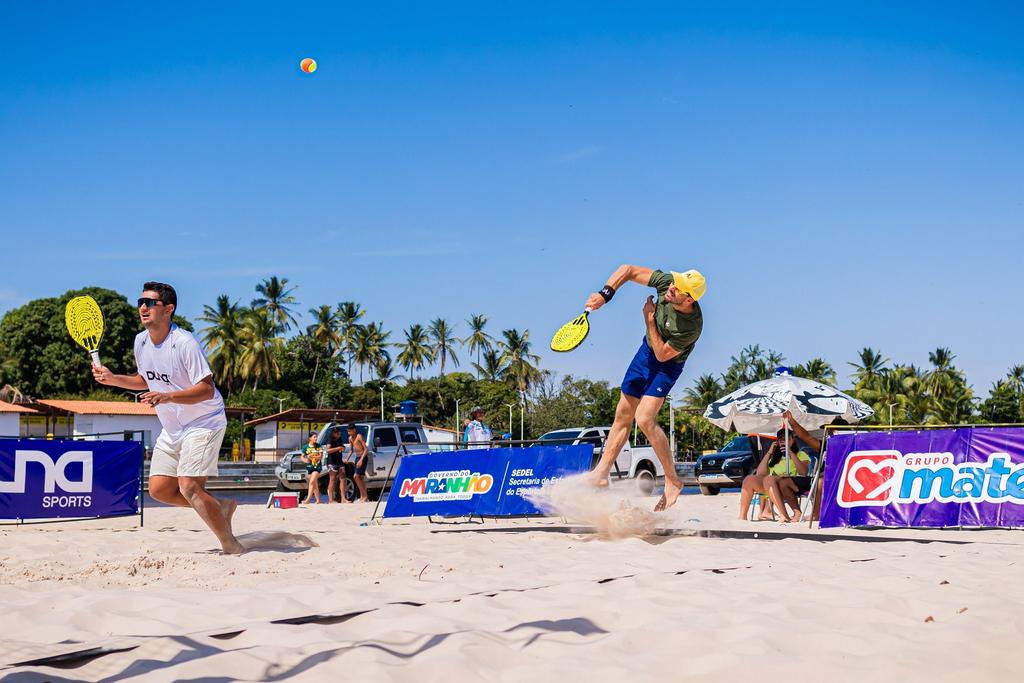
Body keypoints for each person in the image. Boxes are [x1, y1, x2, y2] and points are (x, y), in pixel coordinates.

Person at [92, 281, 243, 554]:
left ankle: (230, 545)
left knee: (188, 486)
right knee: (159, 490)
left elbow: (207, 389)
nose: (143, 307)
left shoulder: (184, 343)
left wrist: (167, 396)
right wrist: (114, 379)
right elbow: (144, 379)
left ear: (168, 309)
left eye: (150, 303)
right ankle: (220, 507)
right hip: (173, 427)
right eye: (141, 302)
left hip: (204, 422)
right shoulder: (140, 341)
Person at [584, 265, 706, 511]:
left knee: (645, 419)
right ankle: (601, 474)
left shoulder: (690, 327)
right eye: (674, 283)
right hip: (645, 353)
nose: (672, 288)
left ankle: (673, 480)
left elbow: (663, 355)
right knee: (622, 415)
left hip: (667, 365)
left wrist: (649, 319)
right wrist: (605, 294)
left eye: (678, 288)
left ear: (689, 299)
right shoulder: (668, 283)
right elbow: (628, 270)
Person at [324, 426, 350, 504]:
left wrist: (342, 448)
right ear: (333, 433)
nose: (339, 434)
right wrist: (338, 448)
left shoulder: (339, 439)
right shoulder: (330, 440)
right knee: (332, 480)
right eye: (337, 433)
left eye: (339, 432)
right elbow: (328, 450)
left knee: (343, 478)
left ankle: (343, 498)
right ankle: (331, 500)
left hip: (339, 461)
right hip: (332, 462)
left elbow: (343, 447)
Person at [346, 424, 370, 502]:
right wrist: (347, 459)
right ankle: (364, 496)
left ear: (354, 430)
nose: (349, 432)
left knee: (356, 476)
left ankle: (363, 496)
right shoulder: (350, 438)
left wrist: (361, 460)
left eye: (350, 431)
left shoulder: (359, 436)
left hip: (363, 457)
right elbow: (351, 450)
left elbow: (366, 449)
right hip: (357, 457)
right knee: (361, 478)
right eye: (348, 431)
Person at [300, 432, 325, 505]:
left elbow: (320, 456)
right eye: (314, 437)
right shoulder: (305, 447)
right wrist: (305, 460)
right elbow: (302, 457)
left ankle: (307, 500)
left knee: (311, 482)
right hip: (309, 467)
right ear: (310, 438)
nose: (316, 438)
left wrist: (311, 457)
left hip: (317, 467)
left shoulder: (318, 446)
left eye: (316, 437)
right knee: (315, 484)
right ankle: (318, 500)